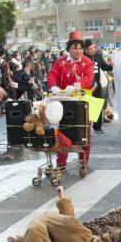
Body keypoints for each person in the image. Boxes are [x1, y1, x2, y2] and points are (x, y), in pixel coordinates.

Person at [47, 31, 94, 171]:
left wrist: (73, 87)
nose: (78, 51)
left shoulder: (88, 62)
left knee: (84, 132)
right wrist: (54, 86)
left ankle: (83, 161)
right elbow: (52, 74)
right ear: (69, 49)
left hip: (82, 101)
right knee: (62, 131)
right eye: (75, 48)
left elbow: (88, 79)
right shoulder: (60, 62)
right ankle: (61, 163)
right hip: (63, 101)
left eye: (80, 48)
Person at [84, 39, 114, 134]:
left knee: (97, 106)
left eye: (93, 47)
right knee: (84, 107)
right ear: (85, 50)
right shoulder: (82, 58)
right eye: (90, 49)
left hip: (97, 85)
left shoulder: (97, 56)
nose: (92, 50)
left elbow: (105, 66)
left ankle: (97, 127)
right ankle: (84, 127)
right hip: (86, 86)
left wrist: (111, 66)